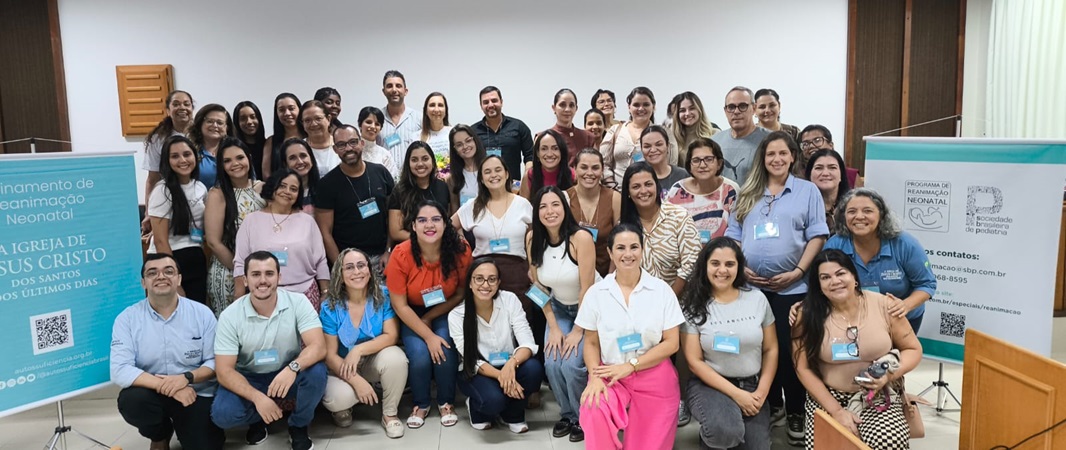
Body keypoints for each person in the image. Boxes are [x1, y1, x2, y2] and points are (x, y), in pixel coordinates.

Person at [725, 131, 829, 445]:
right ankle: (773, 406)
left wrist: (798, 271)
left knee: (790, 352)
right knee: (759, 350)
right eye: (770, 154)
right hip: (752, 290)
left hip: (792, 289)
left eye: (783, 153)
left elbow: (817, 235)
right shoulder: (748, 191)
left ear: (793, 156)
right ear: (763, 158)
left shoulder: (807, 191)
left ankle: (796, 409)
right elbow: (733, 234)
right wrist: (741, 269)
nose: (777, 159)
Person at [793, 249, 922, 449]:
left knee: (889, 442)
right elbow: (802, 368)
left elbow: (913, 349)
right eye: (825, 277)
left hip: (878, 394)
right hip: (827, 398)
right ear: (818, 285)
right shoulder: (807, 313)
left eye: (840, 273)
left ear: (854, 277)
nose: (835, 281)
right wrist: (836, 411)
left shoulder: (884, 305)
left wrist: (888, 375)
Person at [577, 223, 686, 450]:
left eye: (634, 247)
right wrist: (595, 377)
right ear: (610, 253)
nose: (628, 254)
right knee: (593, 408)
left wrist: (631, 365)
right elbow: (591, 342)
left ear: (643, 250)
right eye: (621, 248)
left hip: (654, 372)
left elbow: (672, 343)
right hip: (609, 373)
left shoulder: (661, 291)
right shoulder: (596, 294)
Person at [211, 251, 327, 450]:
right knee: (223, 415)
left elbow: (318, 346)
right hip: (249, 377)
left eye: (269, 273)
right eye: (256, 274)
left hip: (286, 371)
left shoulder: (298, 301)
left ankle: (298, 425)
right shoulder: (230, 316)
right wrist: (257, 398)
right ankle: (258, 419)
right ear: (245, 280)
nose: (263, 280)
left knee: (317, 373)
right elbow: (224, 371)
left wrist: (292, 368)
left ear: (279, 277)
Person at [111, 253, 225, 450]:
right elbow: (120, 369)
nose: (161, 276)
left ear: (179, 279)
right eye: (152, 273)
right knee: (132, 402)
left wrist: (186, 378)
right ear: (143, 283)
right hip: (151, 392)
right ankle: (160, 433)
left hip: (194, 392)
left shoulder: (202, 314)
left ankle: (186, 427)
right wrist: (171, 387)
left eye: (168, 271)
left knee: (205, 446)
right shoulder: (127, 319)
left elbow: (215, 362)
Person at [679, 238, 777, 450]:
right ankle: (715, 434)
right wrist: (737, 395)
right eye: (715, 263)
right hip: (709, 385)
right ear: (705, 266)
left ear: (739, 267)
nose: (722, 270)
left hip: (752, 385)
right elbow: (694, 362)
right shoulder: (692, 305)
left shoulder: (757, 299)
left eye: (729, 264)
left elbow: (771, 349)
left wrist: (761, 391)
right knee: (724, 433)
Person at [385, 200, 473, 429]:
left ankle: (446, 402)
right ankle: (421, 403)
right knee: (420, 355)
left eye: (436, 219)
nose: (429, 225)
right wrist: (428, 334)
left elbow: (461, 293)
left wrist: (431, 318)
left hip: (446, 306)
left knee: (445, 348)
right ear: (413, 226)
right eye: (422, 220)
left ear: (445, 223)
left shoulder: (460, 250)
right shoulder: (401, 254)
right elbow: (399, 305)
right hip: (410, 310)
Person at [526, 186, 597, 442]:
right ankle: (567, 414)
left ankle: (582, 417)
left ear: (565, 208)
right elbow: (537, 286)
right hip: (557, 307)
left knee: (572, 364)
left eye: (555, 204)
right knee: (552, 363)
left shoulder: (581, 238)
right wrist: (554, 327)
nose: (550, 211)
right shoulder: (533, 238)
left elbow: (587, 288)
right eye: (543, 206)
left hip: (587, 308)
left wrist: (578, 330)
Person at [448, 257, 545, 433]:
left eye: (492, 279)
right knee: (493, 401)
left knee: (534, 369)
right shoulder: (457, 315)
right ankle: (477, 409)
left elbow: (528, 343)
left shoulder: (510, 300)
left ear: (499, 282)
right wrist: (502, 376)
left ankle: (512, 414)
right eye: (479, 279)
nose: (485, 285)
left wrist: (511, 364)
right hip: (477, 370)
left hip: (509, 363)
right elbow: (471, 360)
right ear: (470, 283)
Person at [319, 248, 408, 438]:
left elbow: (391, 336)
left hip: (371, 360)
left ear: (369, 269)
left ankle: (389, 414)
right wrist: (356, 381)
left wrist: (358, 350)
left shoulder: (383, 295)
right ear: (340, 274)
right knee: (339, 398)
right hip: (342, 366)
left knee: (396, 358)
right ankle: (344, 408)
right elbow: (330, 355)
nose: (357, 272)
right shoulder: (329, 306)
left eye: (361, 265)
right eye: (349, 267)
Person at [825, 189, 936, 333]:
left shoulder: (904, 244)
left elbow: (926, 284)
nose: (859, 216)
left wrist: (905, 305)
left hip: (900, 319)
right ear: (843, 216)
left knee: (898, 349)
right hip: (853, 318)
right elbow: (822, 282)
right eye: (852, 211)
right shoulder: (835, 245)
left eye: (867, 211)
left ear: (881, 215)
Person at [454, 156, 537, 347]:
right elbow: (448, 228)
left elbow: (536, 237)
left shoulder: (523, 204)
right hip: (482, 276)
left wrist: (533, 266)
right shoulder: (473, 205)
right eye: (487, 172)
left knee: (520, 326)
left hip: (517, 274)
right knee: (486, 329)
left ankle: (522, 361)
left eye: (498, 170)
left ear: (507, 174)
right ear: (482, 179)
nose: (493, 175)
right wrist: (462, 244)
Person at [233, 169, 329, 311]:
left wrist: (325, 292)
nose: (287, 191)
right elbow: (240, 262)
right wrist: (239, 298)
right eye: (282, 186)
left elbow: (320, 260)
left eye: (293, 189)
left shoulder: (307, 221)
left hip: (304, 294)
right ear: (273, 187)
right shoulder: (251, 221)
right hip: (262, 294)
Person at [315, 124, 395, 281]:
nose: (348, 148)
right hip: (350, 261)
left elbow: (393, 216)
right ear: (335, 149)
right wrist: (342, 266)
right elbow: (325, 232)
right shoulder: (327, 184)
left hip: (383, 258)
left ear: (362, 143)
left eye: (353, 142)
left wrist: (389, 250)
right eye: (341, 145)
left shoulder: (380, 172)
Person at [620, 162, 700, 296]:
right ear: (628, 192)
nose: (643, 191)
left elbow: (691, 263)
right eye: (636, 186)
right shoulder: (624, 227)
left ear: (657, 186)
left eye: (648, 184)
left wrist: (668, 300)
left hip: (681, 300)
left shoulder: (679, 216)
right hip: (640, 300)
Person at [204, 138, 264, 315]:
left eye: (240, 158)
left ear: (249, 158)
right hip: (227, 273)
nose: (235, 164)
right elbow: (213, 242)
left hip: (261, 273)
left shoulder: (263, 188)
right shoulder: (217, 193)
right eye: (227, 161)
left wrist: (255, 272)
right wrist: (241, 271)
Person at [147, 135, 208, 304]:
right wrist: (173, 279)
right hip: (169, 260)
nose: (182, 160)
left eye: (187, 154)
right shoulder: (162, 190)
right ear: (167, 161)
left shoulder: (200, 187)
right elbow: (160, 241)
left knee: (196, 312)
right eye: (175, 156)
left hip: (195, 256)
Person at [664, 138, 740, 244]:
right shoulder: (677, 191)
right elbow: (668, 230)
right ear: (689, 165)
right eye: (696, 160)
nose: (703, 165)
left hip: (722, 251)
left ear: (719, 163)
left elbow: (736, 232)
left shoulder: (730, 190)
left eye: (708, 159)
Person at [602, 87, 674, 189]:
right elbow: (603, 163)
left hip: (651, 193)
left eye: (646, 104)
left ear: (653, 107)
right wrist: (611, 185)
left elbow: (671, 164)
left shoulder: (664, 133)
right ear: (629, 107)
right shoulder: (615, 130)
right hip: (617, 192)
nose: (641, 108)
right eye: (636, 105)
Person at [567, 148, 621, 277]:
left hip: (606, 274)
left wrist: (610, 278)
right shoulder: (565, 198)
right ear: (574, 169)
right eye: (584, 167)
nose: (589, 173)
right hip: (571, 275)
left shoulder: (615, 198)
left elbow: (619, 241)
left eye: (595, 168)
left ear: (602, 171)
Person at [387, 141, 451, 242]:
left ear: (432, 161)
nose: (420, 164)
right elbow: (396, 233)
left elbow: (447, 221)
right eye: (414, 160)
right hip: (411, 245)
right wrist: (426, 239)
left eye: (425, 159)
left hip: (440, 245)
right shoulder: (399, 191)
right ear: (408, 164)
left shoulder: (443, 187)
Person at [143, 90, 194, 211]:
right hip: (168, 198)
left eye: (186, 104)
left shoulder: (202, 134)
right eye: (176, 104)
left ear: (192, 108)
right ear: (168, 110)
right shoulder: (157, 139)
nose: (182, 107)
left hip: (198, 194)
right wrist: (148, 211)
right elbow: (152, 178)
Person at [712, 87, 771, 187]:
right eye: (731, 107)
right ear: (725, 111)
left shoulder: (771, 140)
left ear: (754, 108)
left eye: (743, 106)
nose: (736, 111)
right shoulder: (714, 142)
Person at [473, 86, 535, 178]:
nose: (490, 105)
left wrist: (526, 178)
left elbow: (530, 155)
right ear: (481, 106)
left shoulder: (518, 126)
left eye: (494, 100)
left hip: (513, 184)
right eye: (486, 102)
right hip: (484, 184)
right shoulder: (473, 132)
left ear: (501, 102)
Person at [798, 124, 862, 188]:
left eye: (817, 140)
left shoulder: (851, 175)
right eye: (805, 144)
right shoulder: (798, 177)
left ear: (831, 145)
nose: (811, 146)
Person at [186, 103, 233, 189]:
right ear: (200, 124)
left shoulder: (236, 150)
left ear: (227, 127)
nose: (215, 125)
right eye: (210, 121)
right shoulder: (189, 151)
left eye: (220, 123)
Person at [519, 129, 576, 199]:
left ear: (562, 152)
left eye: (555, 148)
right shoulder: (529, 176)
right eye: (544, 149)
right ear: (537, 153)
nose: (549, 154)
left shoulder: (573, 175)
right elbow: (524, 205)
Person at [805, 149, 851, 233]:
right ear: (809, 175)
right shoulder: (799, 206)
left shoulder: (852, 205)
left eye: (832, 168)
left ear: (841, 174)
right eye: (819, 168)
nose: (825, 173)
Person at [381, 70, 421, 164]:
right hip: (384, 172)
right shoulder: (377, 120)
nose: (394, 90)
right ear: (384, 91)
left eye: (398, 86)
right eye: (389, 86)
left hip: (412, 173)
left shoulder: (419, 118)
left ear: (405, 91)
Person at [550, 88, 596, 167]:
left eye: (571, 105)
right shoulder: (544, 137)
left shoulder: (588, 137)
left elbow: (594, 166)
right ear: (554, 108)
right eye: (562, 105)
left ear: (576, 109)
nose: (567, 109)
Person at [668, 91, 719, 164]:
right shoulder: (671, 138)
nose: (687, 113)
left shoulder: (716, 135)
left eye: (692, 108)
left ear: (699, 110)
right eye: (682, 110)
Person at [262, 93, 304, 178]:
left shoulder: (309, 136)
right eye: (281, 110)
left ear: (300, 109)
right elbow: (266, 174)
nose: (287, 113)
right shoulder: (271, 142)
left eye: (291, 108)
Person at [640, 125, 689, 198]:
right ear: (641, 150)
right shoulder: (637, 178)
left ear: (668, 146)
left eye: (658, 144)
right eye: (647, 146)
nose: (653, 150)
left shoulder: (683, 175)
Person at [446, 124, 486, 210]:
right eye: (459, 145)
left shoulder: (489, 169)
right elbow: (455, 209)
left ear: (475, 140)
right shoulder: (453, 179)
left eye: (468, 141)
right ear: (455, 150)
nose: (465, 146)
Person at [279, 138, 321, 213]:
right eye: (292, 158)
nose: (300, 162)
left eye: (303, 156)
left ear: (311, 158)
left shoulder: (325, 188)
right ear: (285, 164)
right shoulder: (279, 194)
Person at [298, 100, 337, 177]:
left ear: (328, 119)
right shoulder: (298, 148)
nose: (313, 124)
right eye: (307, 120)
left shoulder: (341, 146)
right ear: (302, 124)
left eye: (318, 119)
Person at [357, 106, 399, 177]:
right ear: (360, 124)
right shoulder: (351, 150)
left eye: (377, 124)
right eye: (368, 122)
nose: (373, 126)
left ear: (380, 128)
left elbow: (392, 179)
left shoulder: (385, 155)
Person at [233, 101, 266, 180]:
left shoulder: (268, 145)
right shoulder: (233, 148)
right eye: (243, 119)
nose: (249, 122)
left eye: (253, 117)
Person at [412, 92, 452, 157]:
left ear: (445, 110)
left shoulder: (453, 134)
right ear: (426, 111)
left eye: (440, 105)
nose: (436, 109)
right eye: (432, 105)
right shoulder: (415, 137)